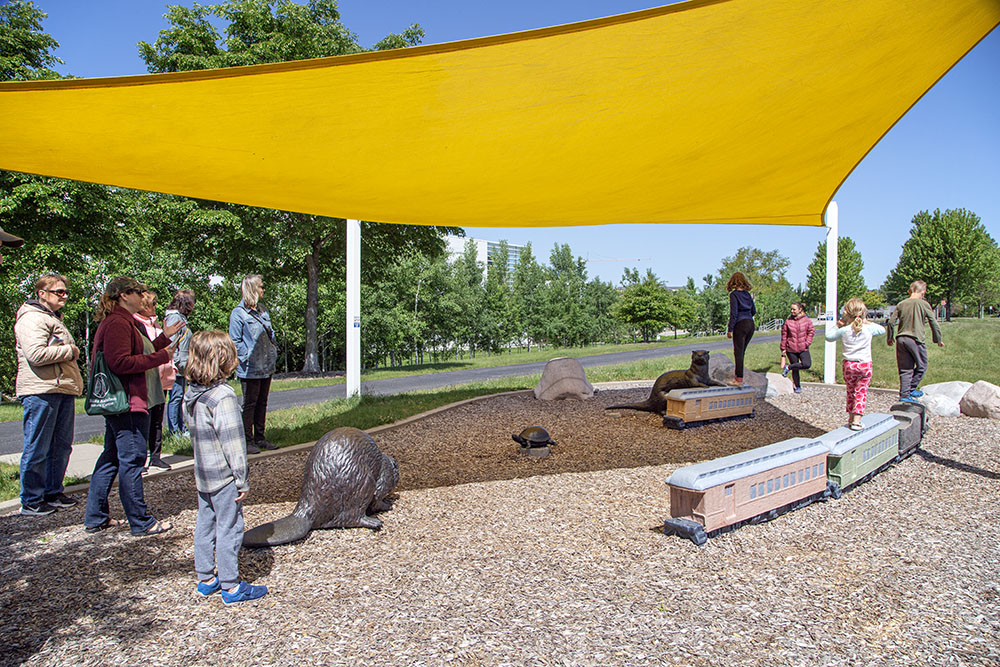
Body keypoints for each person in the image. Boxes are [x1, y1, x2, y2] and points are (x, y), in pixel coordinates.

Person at [83, 277, 181, 536]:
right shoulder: (118, 323)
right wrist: (162, 356)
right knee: (133, 459)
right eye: (139, 292)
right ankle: (141, 522)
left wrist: (162, 340)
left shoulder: (124, 321)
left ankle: (96, 516)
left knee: (112, 458)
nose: (143, 296)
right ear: (124, 295)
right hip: (128, 402)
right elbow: (121, 363)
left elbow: (138, 351)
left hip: (125, 401)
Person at [184, 330, 268, 604]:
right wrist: (241, 480)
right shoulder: (223, 397)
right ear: (224, 359)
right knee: (230, 528)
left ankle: (206, 578)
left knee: (205, 525)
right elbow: (233, 444)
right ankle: (231, 586)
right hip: (223, 477)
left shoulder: (192, 394)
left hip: (203, 475)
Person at [14, 274, 84, 516]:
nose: (64, 295)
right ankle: (32, 499)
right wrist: (70, 350)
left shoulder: (51, 318)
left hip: (59, 388)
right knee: (38, 446)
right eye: (58, 292)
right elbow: (35, 354)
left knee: (61, 445)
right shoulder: (32, 319)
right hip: (41, 390)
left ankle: (53, 491)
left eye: (65, 291)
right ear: (42, 293)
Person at [229, 275, 278, 455]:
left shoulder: (263, 310)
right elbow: (235, 341)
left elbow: (270, 333)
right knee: (250, 403)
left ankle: (260, 437)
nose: (263, 289)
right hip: (250, 368)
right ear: (252, 289)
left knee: (262, 403)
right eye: (261, 287)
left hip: (266, 365)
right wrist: (247, 356)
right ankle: (247, 440)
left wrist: (273, 350)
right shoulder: (238, 314)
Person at [825, 297, 885, 430]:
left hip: (849, 365)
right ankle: (857, 421)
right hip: (864, 365)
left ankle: (851, 418)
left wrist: (838, 324)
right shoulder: (868, 329)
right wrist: (866, 322)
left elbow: (829, 336)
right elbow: (882, 329)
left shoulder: (844, 330)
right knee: (861, 392)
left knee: (851, 391)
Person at [133, 290, 175, 470]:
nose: (155, 307)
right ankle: (141, 458)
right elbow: (148, 350)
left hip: (163, 377)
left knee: (158, 418)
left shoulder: (157, 324)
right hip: (147, 378)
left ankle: (156, 455)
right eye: (153, 304)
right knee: (146, 418)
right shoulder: (136, 325)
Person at [887, 280, 944, 403]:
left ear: (909, 291)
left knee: (905, 369)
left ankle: (904, 395)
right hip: (915, 339)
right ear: (923, 292)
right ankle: (911, 389)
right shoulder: (924, 304)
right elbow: (933, 322)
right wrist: (938, 339)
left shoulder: (901, 304)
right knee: (922, 365)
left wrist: (890, 337)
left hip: (901, 339)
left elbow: (891, 322)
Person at [163, 289, 196, 435]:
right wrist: (177, 363)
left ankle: (181, 428)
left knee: (179, 397)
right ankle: (174, 431)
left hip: (183, 366)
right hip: (176, 367)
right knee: (175, 398)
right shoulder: (174, 318)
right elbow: (171, 344)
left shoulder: (181, 318)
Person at [725, 272, 756, 385]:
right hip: (750, 324)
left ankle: (738, 380)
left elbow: (734, 313)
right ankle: (739, 376)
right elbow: (754, 311)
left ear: (732, 282)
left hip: (740, 324)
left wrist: (730, 329)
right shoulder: (747, 294)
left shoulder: (734, 295)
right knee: (742, 352)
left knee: (738, 352)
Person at [780, 301, 815, 394]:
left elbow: (811, 332)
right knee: (795, 369)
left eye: (794, 309)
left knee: (806, 364)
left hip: (803, 348)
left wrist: (807, 343)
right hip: (791, 348)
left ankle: (788, 367)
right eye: (791, 309)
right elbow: (784, 335)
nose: (792, 311)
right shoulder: (788, 321)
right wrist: (783, 347)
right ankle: (797, 386)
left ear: (800, 310)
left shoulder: (807, 321)